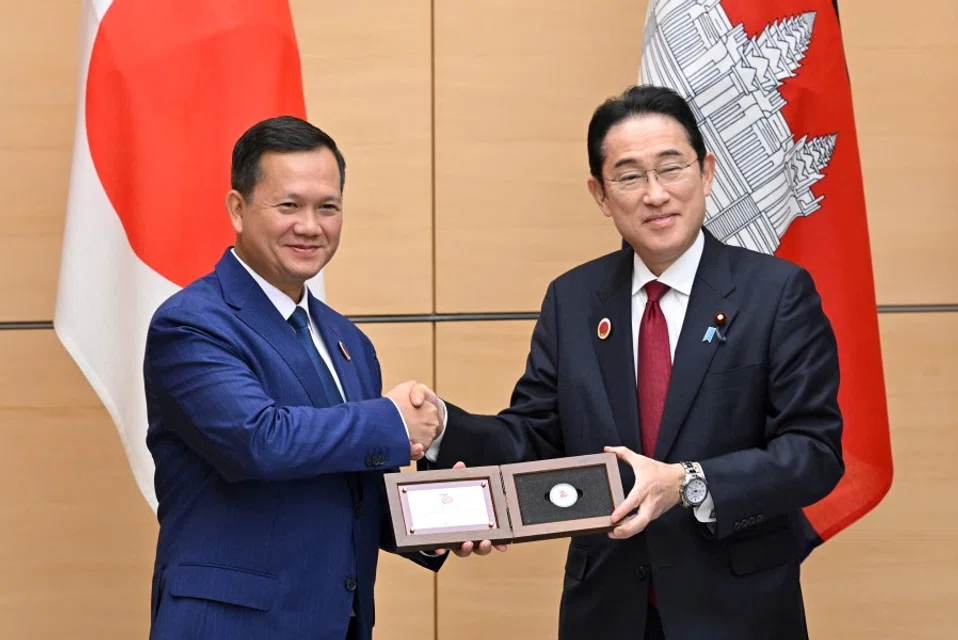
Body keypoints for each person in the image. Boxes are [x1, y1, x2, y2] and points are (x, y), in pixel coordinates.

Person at [422, 85, 844, 639]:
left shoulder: (777, 293)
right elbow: (534, 438)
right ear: (600, 194)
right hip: (606, 610)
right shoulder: (572, 300)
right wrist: (443, 428)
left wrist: (688, 482)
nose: (655, 194)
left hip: (737, 610)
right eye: (629, 176)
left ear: (708, 171)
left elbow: (813, 452)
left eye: (672, 169)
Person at [144, 116, 454, 640]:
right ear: (238, 209)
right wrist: (393, 421)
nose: (310, 226)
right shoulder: (193, 322)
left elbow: (346, 486)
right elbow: (259, 441)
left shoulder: (348, 342)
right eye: (289, 205)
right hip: (227, 625)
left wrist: (439, 524)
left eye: (327, 207)